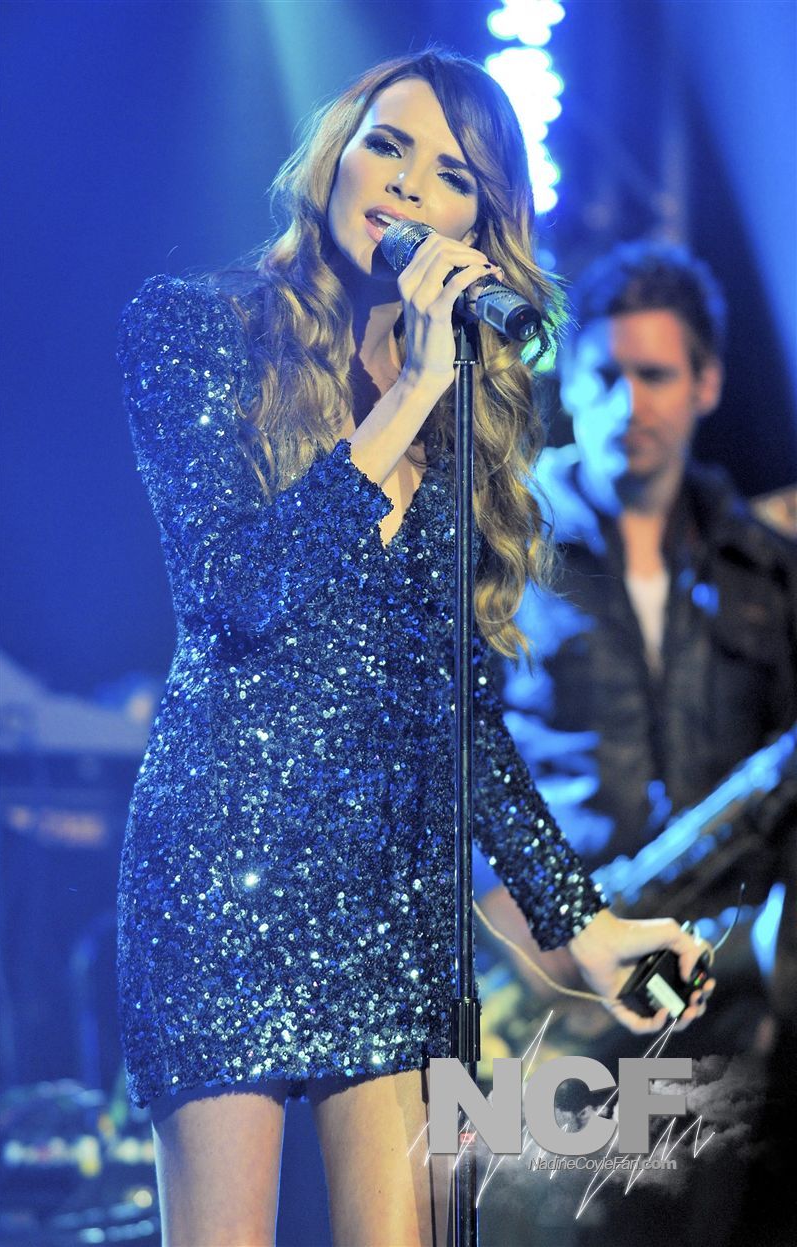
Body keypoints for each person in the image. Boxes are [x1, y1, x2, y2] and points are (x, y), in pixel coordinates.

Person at [118, 56, 711, 1247]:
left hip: (390, 905)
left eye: (448, 176)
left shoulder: (462, 404)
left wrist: (583, 926)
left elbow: (457, 712)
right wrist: (404, 404)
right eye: (386, 145)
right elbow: (231, 592)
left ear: (474, 231)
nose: (402, 185)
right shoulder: (196, 328)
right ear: (334, 154)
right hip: (224, 873)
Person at [475, 240, 796, 1052]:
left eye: (654, 375)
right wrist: (505, 916)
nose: (628, 403)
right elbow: (442, 750)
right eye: (605, 375)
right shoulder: (502, 549)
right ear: (568, 379)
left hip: (728, 984)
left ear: (706, 383)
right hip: (549, 977)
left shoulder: (768, 566)